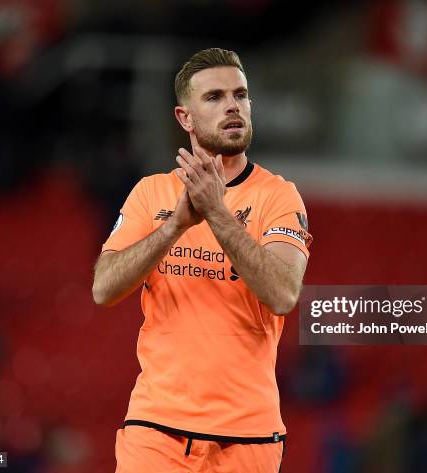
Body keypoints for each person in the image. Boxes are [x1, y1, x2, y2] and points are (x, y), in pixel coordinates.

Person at [92, 48, 312, 473]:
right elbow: (104, 288)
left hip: (248, 436)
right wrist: (174, 226)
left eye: (241, 94)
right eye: (214, 97)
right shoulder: (150, 193)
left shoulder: (279, 197)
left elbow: (284, 294)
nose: (233, 105)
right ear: (184, 118)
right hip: (155, 429)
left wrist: (217, 214)